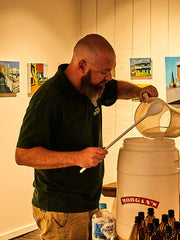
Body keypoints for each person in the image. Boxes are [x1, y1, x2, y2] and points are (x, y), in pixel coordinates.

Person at [15, 34, 158, 240]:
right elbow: (24, 155)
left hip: (87, 203)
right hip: (62, 210)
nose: (108, 77)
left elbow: (116, 88)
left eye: (111, 71)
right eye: (104, 71)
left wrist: (138, 91)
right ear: (82, 66)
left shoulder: (93, 86)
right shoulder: (48, 99)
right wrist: (77, 158)